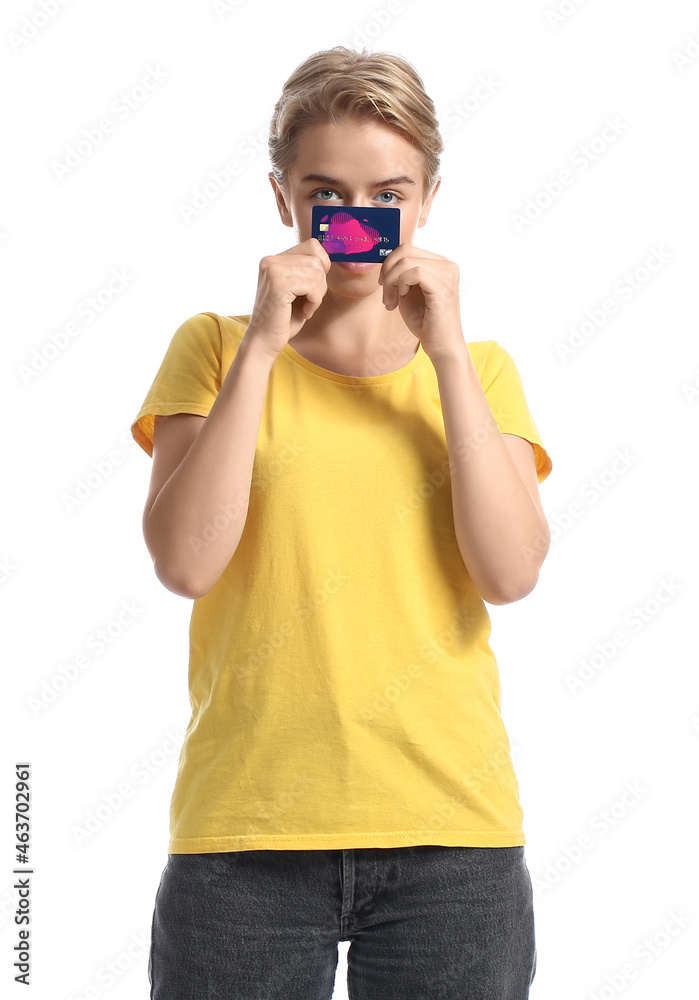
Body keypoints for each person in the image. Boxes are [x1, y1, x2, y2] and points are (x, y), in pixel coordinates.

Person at [131, 44, 552, 1000]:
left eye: (386, 194)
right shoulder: (214, 346)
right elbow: (187, 563)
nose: (356, 220)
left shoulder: (480, 370)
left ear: (429, 198)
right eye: (326, 193)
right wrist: (263, 349)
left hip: (453, 834)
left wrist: (442, 354)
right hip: (245, 835)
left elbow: (512, 572)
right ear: (282, 198)